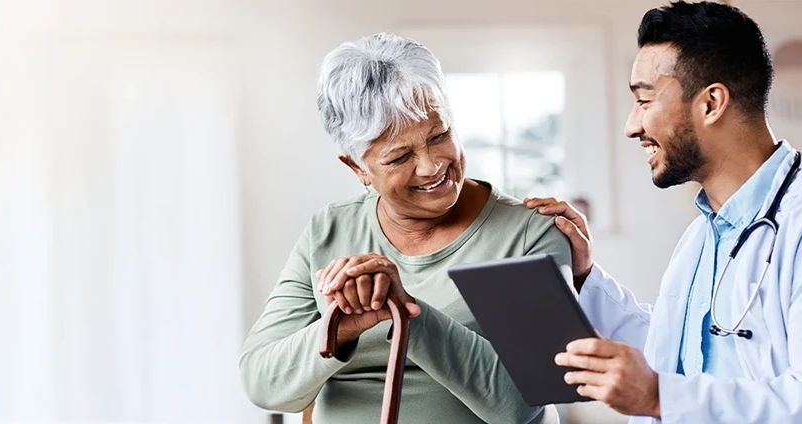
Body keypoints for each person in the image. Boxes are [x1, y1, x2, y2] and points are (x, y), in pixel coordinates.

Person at [524, 2, 802, 422]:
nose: (631, 126)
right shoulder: (703, 235)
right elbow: (673, 355)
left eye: (644, 100)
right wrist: (584, 277)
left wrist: (660, 398)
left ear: (711, 103)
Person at [238, 33, 571, 423]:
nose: (432, 166)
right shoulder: (329, 229)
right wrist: (339, 328)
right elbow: (262, 382)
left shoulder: (529, 232)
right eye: (399, 156)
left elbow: (524, 405)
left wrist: (407, 312)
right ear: (357, 168)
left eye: (439, 135)